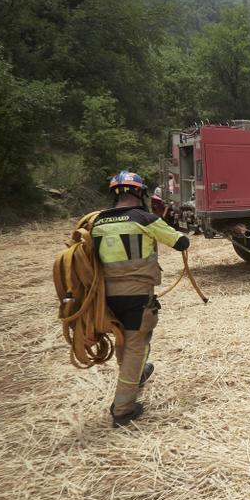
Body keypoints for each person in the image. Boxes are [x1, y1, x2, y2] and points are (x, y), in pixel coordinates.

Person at [92, 170, 190, 428]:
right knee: (136, 345)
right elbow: (181, 242)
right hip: (136, 296)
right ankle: (123, 409)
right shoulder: (144, 219)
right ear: (140, 193)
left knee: (123, 339)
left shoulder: (97, 222)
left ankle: (137, 374)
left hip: (104, 298)